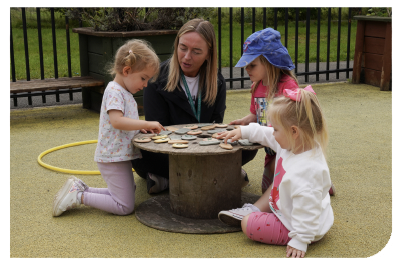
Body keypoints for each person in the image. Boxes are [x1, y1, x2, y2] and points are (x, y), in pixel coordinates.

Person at [131, 18, 257, 194]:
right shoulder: (156, 80)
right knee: (137, 152)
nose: (187, 57)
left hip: (205, 149)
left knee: (249, 146)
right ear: (176, 45)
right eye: (183, 48)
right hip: (168, 152)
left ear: (208, 53)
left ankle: (168, 179)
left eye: (196, 51)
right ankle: (219, 172)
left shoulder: (217, 82)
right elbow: (157, 134)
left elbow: (215, 127)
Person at [216, 86, 334, 258]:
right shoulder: (292, 143)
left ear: (294, 131)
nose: (273, 133)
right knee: (286, 191)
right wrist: (244, 131)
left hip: (301, 226)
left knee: (248, 224)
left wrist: (300, 240)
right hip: (292, 207)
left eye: (276, 129)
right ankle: (262, 209)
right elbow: (266, 134)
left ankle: (290, 227)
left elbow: (307, 211)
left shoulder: (307, 171)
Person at [52, 39, 164, 217]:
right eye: (143, 78)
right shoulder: (114, 91)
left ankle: (80, 189)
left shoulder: (123, 92)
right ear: (126, 71)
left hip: (117, 156)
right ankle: (79, 196)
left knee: (127, 192)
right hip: (112, 157)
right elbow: (117, 121)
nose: (145, 85)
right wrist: (145, 123)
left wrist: (138, 130)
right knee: (124, 206)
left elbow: (124, 124)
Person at [231, 27, 335, 196]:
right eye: (246, 65)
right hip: (271, 147)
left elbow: (296, 119)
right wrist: (245, 121)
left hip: (290, 145)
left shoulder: (288, 86)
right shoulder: (257, 87)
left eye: (252, 65)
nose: (247, 69)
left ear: (270, 62)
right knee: (267, 189)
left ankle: (323, 179)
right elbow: (256, 114)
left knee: (287, 182)